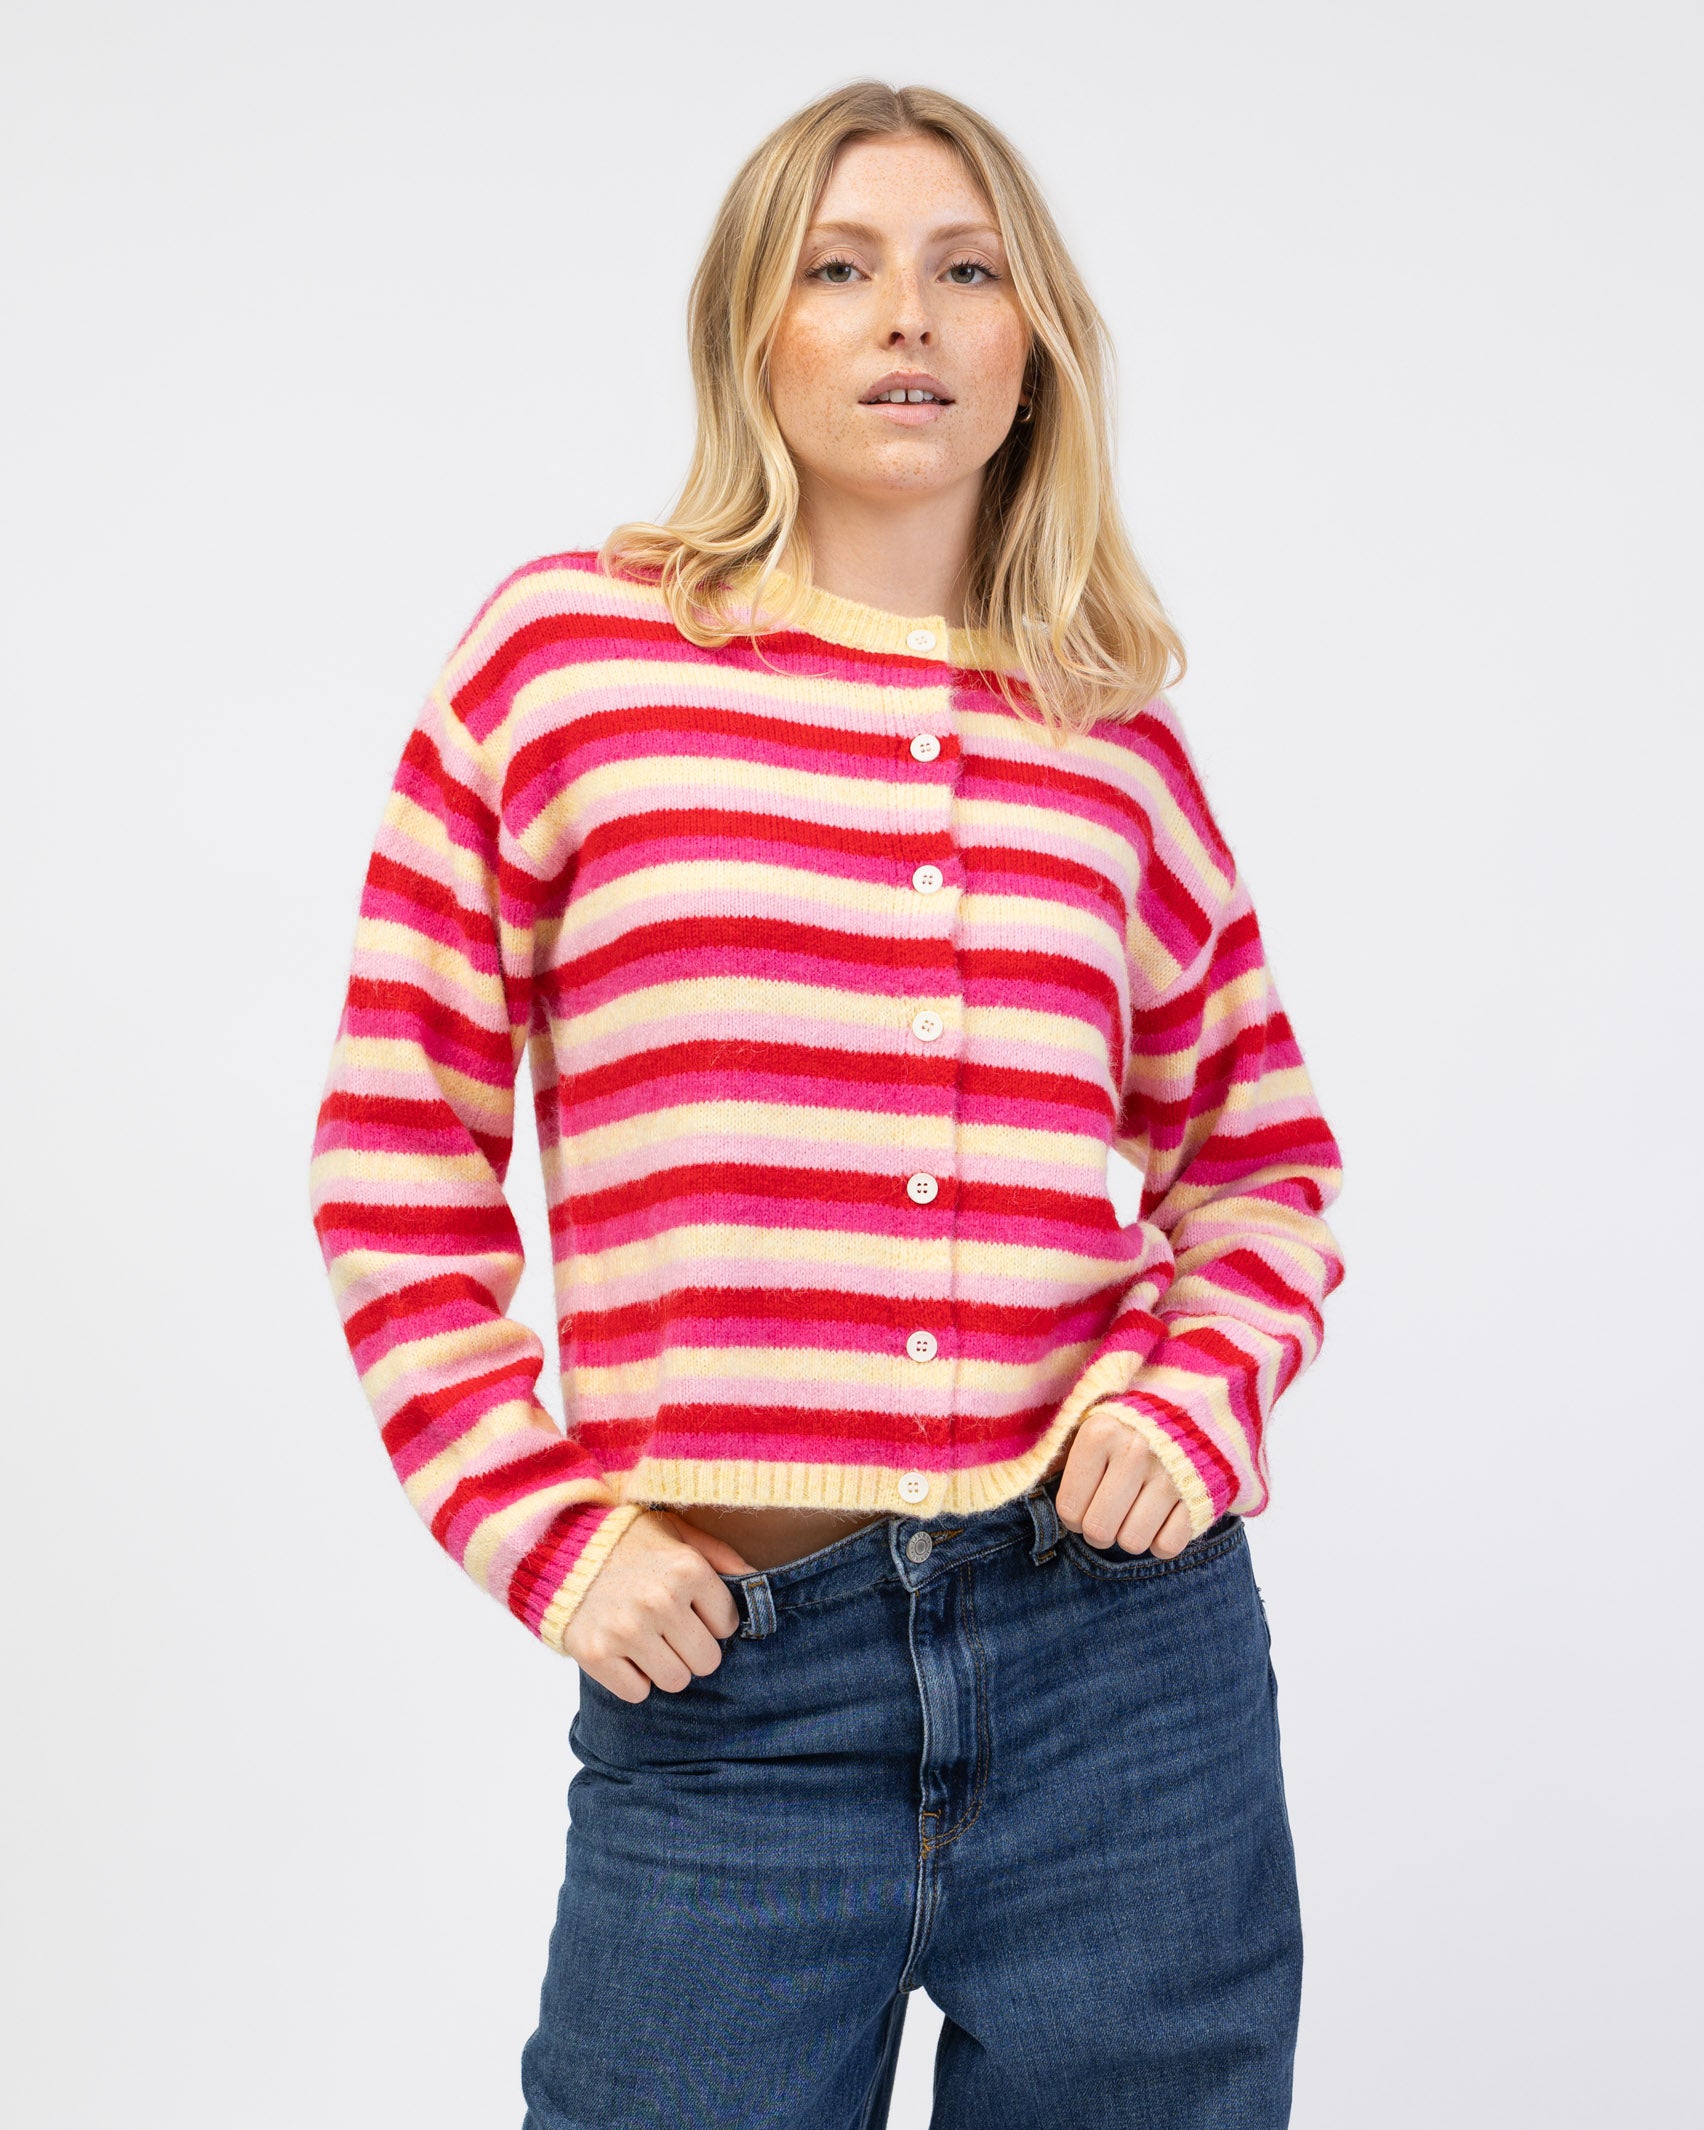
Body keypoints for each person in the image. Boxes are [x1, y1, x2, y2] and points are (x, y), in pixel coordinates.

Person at [308, 79, 1345, 2130]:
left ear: (1033, 345)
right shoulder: (564, 665)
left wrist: (1186, 1403)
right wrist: (542, 1528)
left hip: (1125, 1677)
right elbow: (393, 1161)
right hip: (729, 1690)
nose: (909, 317)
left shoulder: (1106, 740)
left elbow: (1260, 1161)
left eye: (968, 271)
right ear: (747, 331)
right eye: (841, 267)